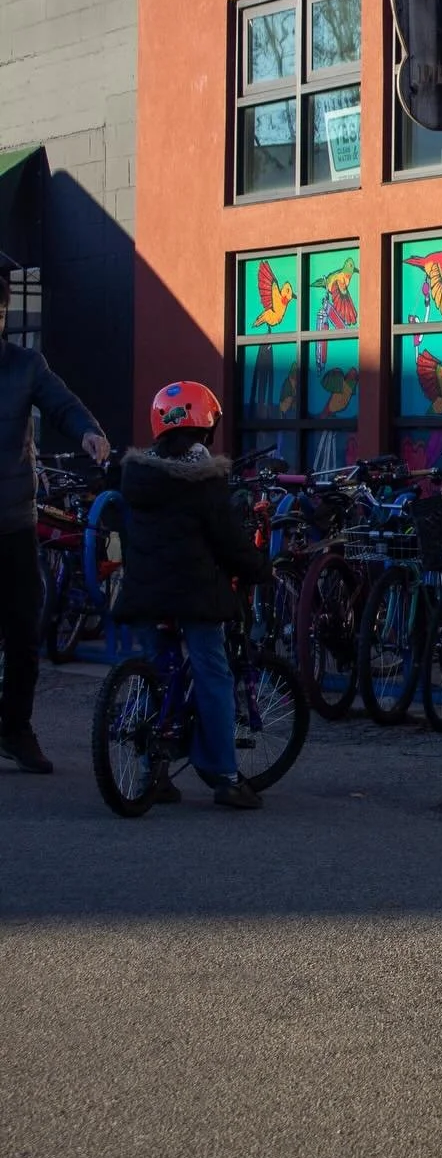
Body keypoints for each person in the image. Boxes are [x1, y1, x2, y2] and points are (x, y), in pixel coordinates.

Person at [113, 381, 270, 809]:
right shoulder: (204, 478)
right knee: (212, 673)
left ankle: (151, 772)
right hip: (194, 595)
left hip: (144, 593)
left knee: (158, 673)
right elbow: (227, 540)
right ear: (205, 426)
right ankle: (225, 776)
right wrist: (259, 569)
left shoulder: (138, 475)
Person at [0, 263, 111, 774]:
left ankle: (15, 730)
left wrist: (88, 431)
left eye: (0, 311)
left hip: (13, 521)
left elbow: (63, 405)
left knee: (25, 630)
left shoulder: (25, 365)